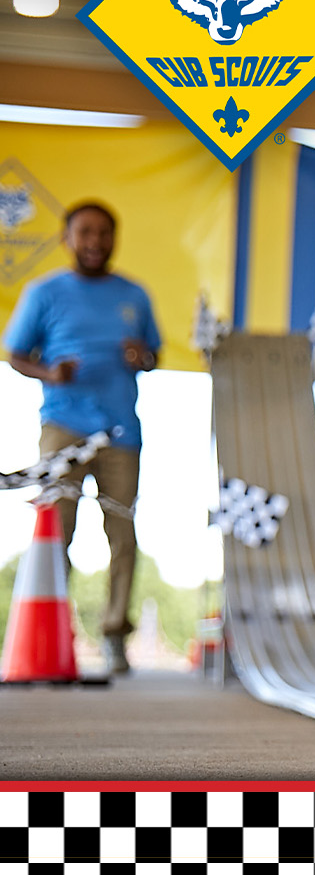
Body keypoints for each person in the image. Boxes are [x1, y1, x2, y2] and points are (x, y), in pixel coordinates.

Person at [4, 201, 160, 675]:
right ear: (66, 238)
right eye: (85, 233)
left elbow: (155, 355)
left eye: (104, 233)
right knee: (55, 531)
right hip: (63, 428)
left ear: (115, 237)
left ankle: (115, 636)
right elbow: (14, 354)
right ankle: (53, 634)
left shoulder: (135, 293)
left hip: (120, 432)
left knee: (122, 534)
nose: (95, 242)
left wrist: (142, 356)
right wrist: (50, 371)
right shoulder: (44, 292)